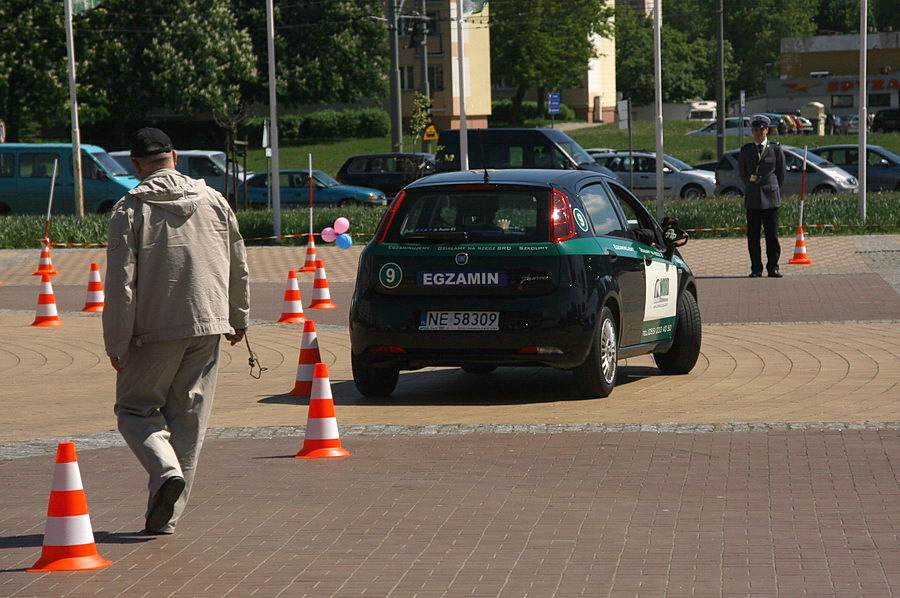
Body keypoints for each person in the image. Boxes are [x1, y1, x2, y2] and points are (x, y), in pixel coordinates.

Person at [103, 127, 250, 534]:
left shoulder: (129, 209)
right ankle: (167, 516)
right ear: (176, 155)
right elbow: (238, 260)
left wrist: (116, 341)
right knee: (188, 421)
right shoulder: (215, 200)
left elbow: (121, 284)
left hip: (152, 331)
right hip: (208, 323)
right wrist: (239, 317)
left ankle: (165, 473)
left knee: (135, 410)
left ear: (135, 164)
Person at [737, 115, 786, 278]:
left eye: (762, 130)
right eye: (756, 130)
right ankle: (756, 268)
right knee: (753, 236)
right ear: (752, 131)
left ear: (767, 131)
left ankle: (773, 267)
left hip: (771, 197)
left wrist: (773, 188)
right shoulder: (746, 150)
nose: (759, 133)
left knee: (772, 236)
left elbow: (781, 172)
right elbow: (742, 172)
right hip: (753, 198)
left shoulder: (776, 149)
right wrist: (750, 185)